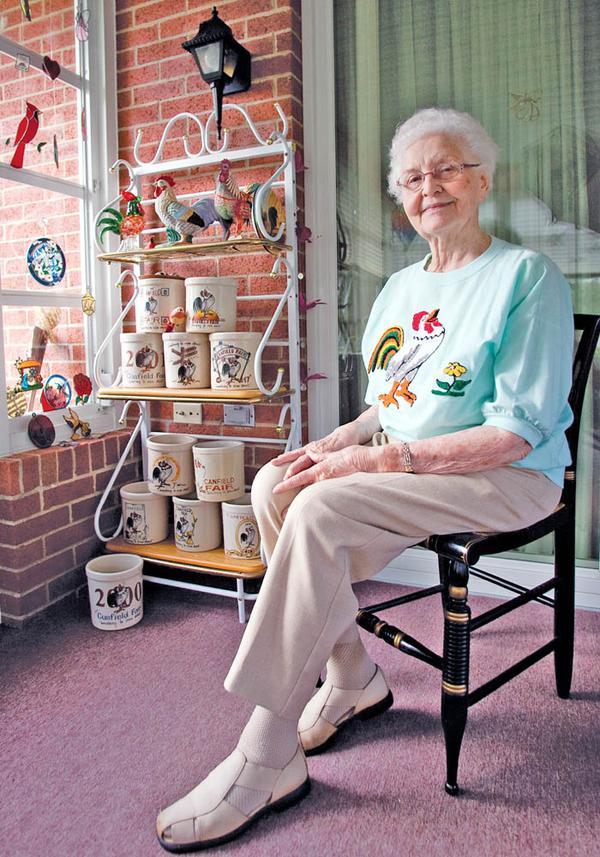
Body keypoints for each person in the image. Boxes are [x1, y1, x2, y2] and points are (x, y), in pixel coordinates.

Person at [156, 108, 574, 852]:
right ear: (400, 199)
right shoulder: (402, 287)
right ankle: (352, 674)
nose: (429, 187)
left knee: (316, 514)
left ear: (482, 178)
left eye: (446, 168)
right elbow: (391, 403)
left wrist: (371, 460)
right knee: (276, 488)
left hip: (506, 475)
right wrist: (335, 442)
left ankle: (268, 748)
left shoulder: (525, 277)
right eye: (412, 178)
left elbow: (515, 431)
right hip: (412, 466)